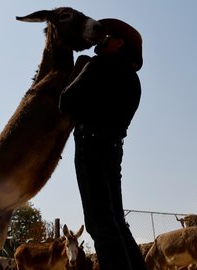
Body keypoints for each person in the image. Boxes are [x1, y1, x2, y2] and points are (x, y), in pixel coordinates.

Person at [59, 18, 146, 270]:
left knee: (99, 224)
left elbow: (66, 102)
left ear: (118, 43)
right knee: (116, 222)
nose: (99, 38)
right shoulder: (133, 81)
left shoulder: (98, 66)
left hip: (90, 145)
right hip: (113, 149)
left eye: (106, 35)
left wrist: (80, 67)